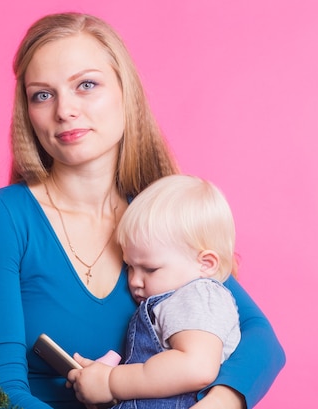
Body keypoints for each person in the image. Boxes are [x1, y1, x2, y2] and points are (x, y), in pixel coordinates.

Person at [0, 12, 285, 409]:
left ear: (125, 92)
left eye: (86, 85)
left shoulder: (158, 222)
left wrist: (222, 401)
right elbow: (0, 391)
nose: (65, 111)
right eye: (43, 94)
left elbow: (261, 338)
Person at [68, 174, 241, 408]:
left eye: (150, 269)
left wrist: (112, 381)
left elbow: (197, 367)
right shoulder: (175, 296)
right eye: (129, 266)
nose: (135, 281)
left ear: (206, 264)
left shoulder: (199, 296)